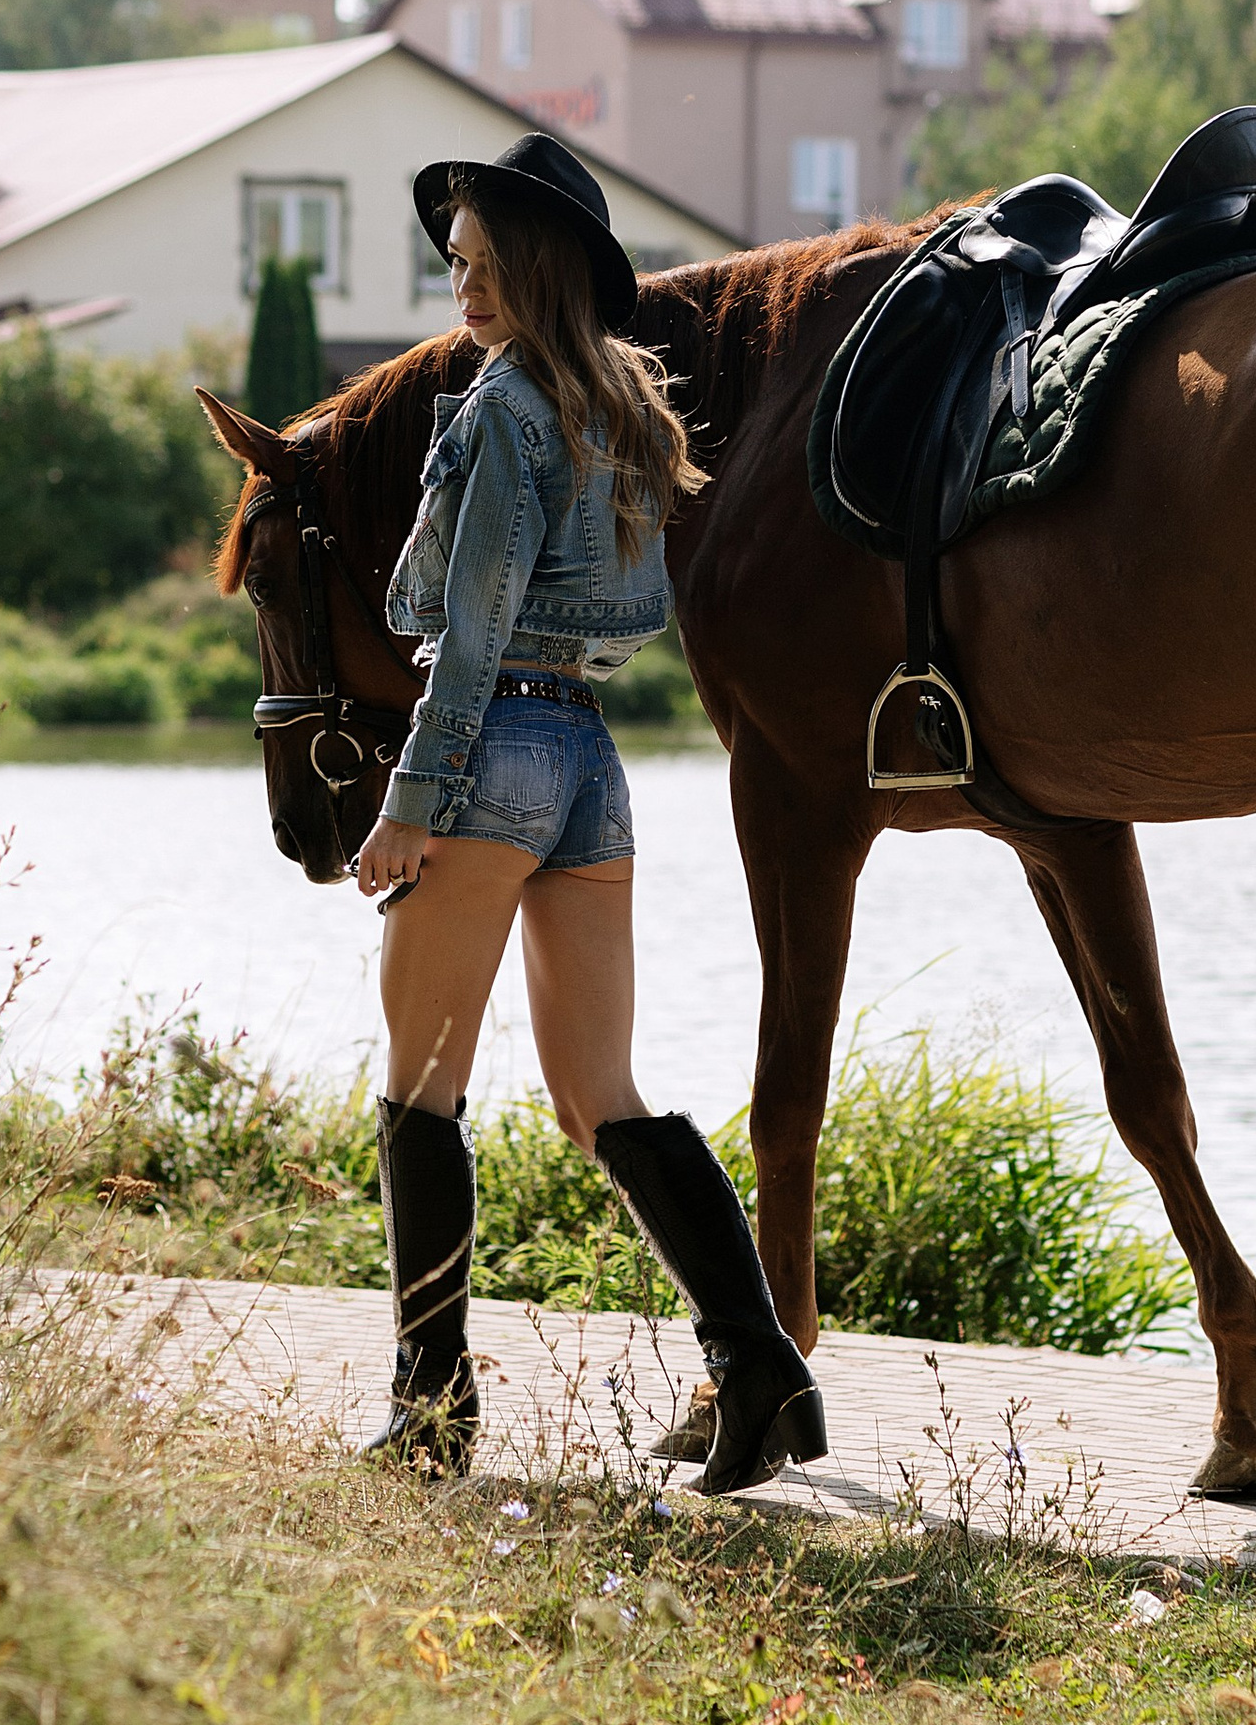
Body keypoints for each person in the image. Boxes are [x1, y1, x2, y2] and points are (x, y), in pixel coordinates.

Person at [354, 131, 826, 1494]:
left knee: (419, 1089)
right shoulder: (626, 408)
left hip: (491, 742)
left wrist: (412, 799)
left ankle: (431, 1412)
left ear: (537, 267)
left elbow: (477, 620)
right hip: (586, 760)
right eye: (456, 265)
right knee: (596, 1096)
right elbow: (626, 616)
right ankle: (759, 1365)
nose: (464, 289)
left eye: (485, 264)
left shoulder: (504, 409)